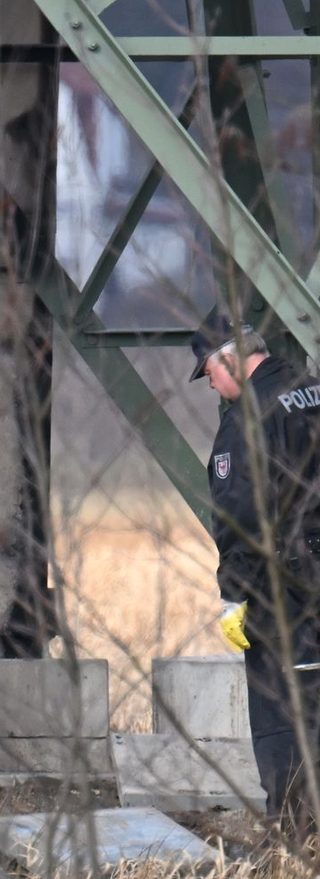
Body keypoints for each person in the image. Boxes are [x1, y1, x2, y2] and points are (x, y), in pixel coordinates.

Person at [191, 314, 320, 830]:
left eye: (209, 373)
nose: (214, 388)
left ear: (229, 358)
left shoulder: (247, 420)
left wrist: (234, 597)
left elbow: (240, 518)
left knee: (279, 714)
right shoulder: (310, 391)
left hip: (285, 590)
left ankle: (295, 834)